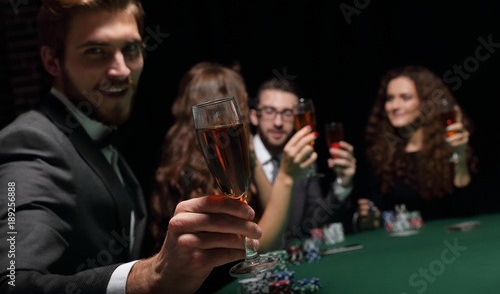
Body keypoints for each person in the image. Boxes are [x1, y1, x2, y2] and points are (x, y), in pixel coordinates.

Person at [0, 0, 262, 294]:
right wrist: (149, 277)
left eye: (131, 49)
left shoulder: (99, 136)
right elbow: (12, 283)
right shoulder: (30, 141)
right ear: (52, 61)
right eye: (96, 51)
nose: (122, 69)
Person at [151, 62, 316, 253]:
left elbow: (276, 214)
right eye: (243, 105)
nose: (245, 114)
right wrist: (286, 177)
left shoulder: (238, 154)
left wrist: (251, 157)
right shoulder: (193, 174)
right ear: (221, 110)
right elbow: (256, 247)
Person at [357, 65, 477, 224]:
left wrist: (459, 156)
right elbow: (380, 211)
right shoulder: (382, 152)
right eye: (390, 98)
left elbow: (466, 211)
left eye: (405, 97)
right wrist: (370, 213)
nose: (395, 106)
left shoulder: (452, 144)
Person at [249, 78, 357, 245]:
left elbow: (313, 223)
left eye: (287, 113)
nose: (278, 123)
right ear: (255, 116)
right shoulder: (237, 162)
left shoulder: (305, 160)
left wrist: (342, 184)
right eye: (270, 111)